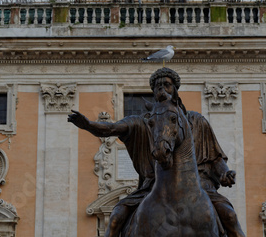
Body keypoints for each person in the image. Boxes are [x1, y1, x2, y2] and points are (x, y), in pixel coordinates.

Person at [68, 68, 245, 237]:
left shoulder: (197, 121)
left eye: (166, 84)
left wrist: (224, 173)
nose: (162, 88)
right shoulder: (144, 122)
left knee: (230, 216)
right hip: (153, 186)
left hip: (200, 185)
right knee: (116, 217)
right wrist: (89, 125)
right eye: (157, 86)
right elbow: (112, 128)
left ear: (175, 90)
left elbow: (215, 157)